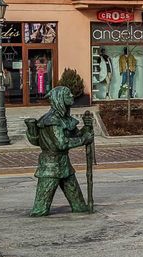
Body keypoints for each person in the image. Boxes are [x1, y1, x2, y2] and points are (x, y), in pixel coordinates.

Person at [25, 85, 92, 216]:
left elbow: (76, 136)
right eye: (68, 94)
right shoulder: (52, 121)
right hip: (50, 167)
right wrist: (85, 139)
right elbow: (61, 143)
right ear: (59, 98)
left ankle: (80, 209)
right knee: (40, 210)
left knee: (79, 206)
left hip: (64, 165)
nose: (72, 96)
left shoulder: (64, 118)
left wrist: (87, 127)